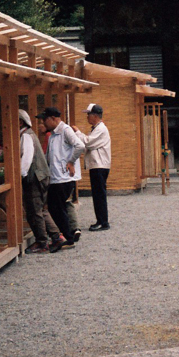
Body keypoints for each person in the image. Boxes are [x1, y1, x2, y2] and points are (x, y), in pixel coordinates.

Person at [36, 107, 85, 253]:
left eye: (45, 119)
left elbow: (80, 145)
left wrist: (70, 162)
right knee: (56, 207)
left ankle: (68, 237)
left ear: (53, 118)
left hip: (63, 177)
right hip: (56, 176)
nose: (43, 123)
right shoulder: (53, 134)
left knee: (57, 207)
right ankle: (67, 234)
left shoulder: (65, 130)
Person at [19, 108, 61, 252]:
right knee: (41, 209)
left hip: (35, 177)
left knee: (34, 210)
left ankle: (42, 242)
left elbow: (26, 159)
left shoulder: (26, 136)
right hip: (40, 176)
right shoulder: (28, 135)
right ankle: (56, 236)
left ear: (19, 122)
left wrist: (21, 175)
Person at [72, 103, 112, 231]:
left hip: (99, 166)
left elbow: (88, 142)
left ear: (95, 115)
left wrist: (77, 132)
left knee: (99, 194)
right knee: (98, 194)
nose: (87, 117)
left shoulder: (101, 129)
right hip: (97, 165)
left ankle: (103, 221)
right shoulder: (96, 129)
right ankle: (101, 220)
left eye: (88, 114)